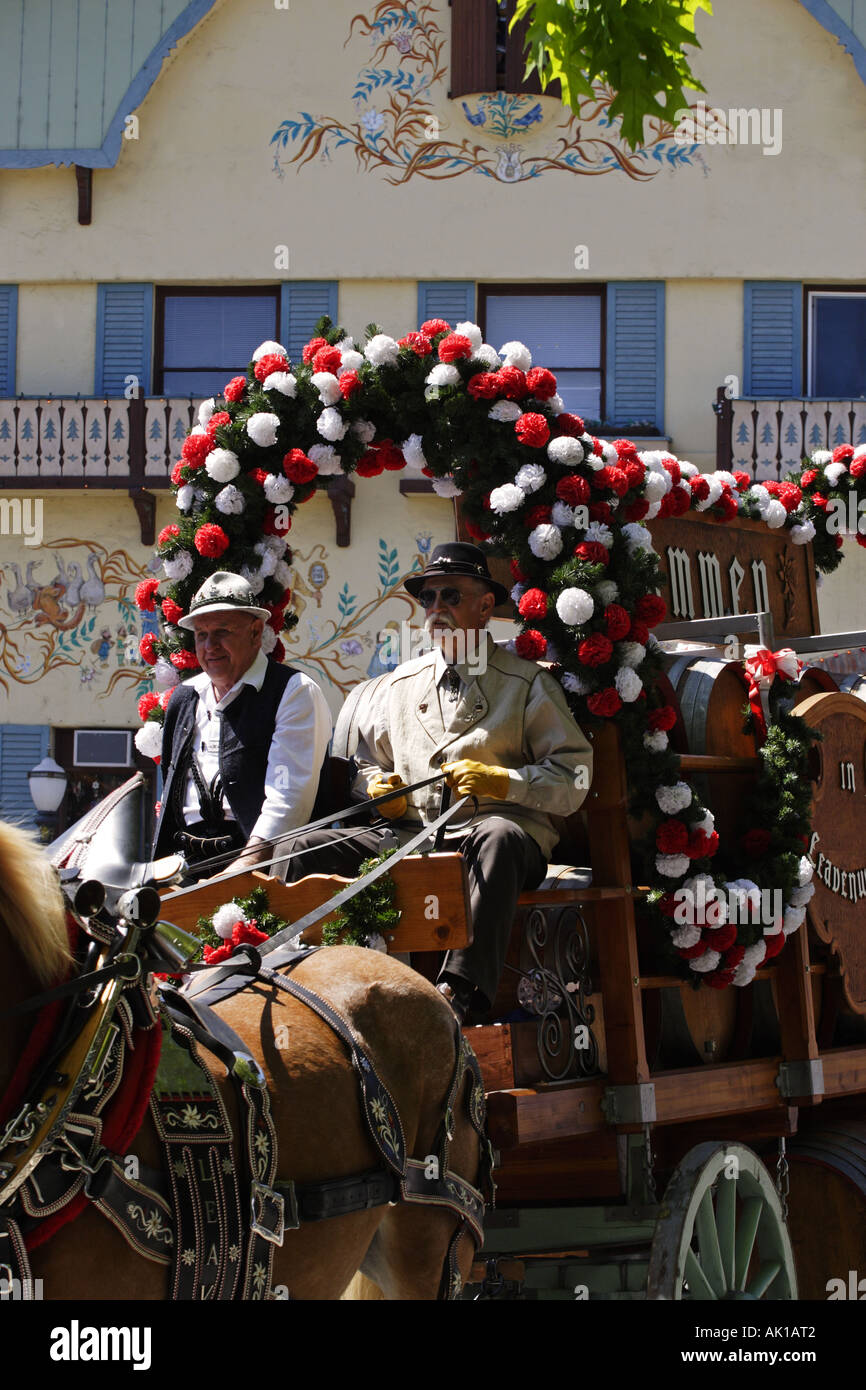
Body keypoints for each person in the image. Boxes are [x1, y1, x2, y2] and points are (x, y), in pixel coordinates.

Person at [285, 542, 593, 1020]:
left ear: (486, 605)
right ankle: (315, 985)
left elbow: (574, 777)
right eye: (427, 599)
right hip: (411, 838)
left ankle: (460, 993)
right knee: (311, 846)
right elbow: (365, 761)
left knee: (498, 835)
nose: (436, 609)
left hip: (499, 842)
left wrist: (504, 782)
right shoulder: (398, 684)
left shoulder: (528, 684)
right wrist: (374, 789)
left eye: (450, 595)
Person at [152, 571, 331, 877]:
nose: (210, 646)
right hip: (183, 867)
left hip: (262, 868)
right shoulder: (184, 698)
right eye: (202, 635)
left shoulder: (293, 691)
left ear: (256, 632)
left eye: (222, 631)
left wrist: (245, 867)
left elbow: (288, 800)